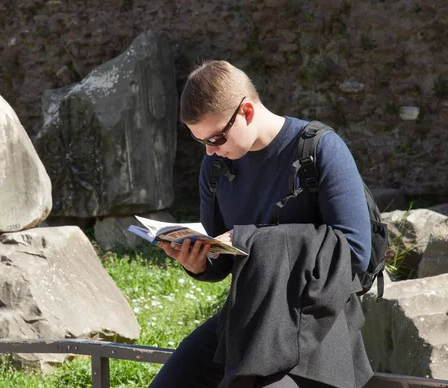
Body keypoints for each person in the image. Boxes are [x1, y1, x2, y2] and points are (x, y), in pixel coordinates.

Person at [149, 60, 373, 388]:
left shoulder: (320, 149)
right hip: (250, 312)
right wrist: (199, 263)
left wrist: (250, 239)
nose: (211, 151)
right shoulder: (214, 167)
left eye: (216, 138)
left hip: (315, 318)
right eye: (203, 143)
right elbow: (224, 259)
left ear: (248, 112)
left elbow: (355, 253)